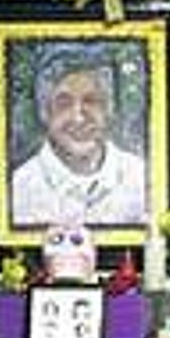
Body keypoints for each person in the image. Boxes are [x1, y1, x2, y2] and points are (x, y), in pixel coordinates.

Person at [10, 45, 148, 227]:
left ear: (109, 109)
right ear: (44, 113)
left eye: (91, 101)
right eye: (64, 103)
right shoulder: (19, 187)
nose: (79, 117)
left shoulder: (141, 178)